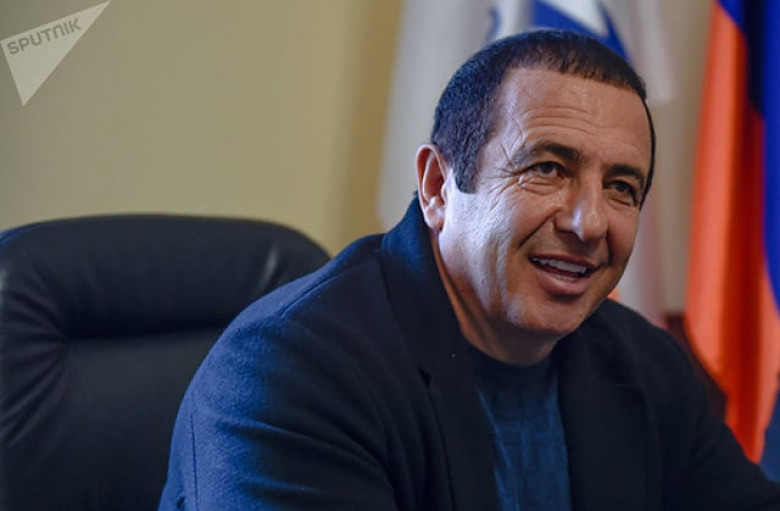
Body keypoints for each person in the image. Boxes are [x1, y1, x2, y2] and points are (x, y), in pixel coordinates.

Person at [158, 29, 780, 510]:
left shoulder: (645, 366)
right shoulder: (287, 372)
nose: (589, 223)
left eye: (621, 187)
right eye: (547, 169)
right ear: (437, 186)